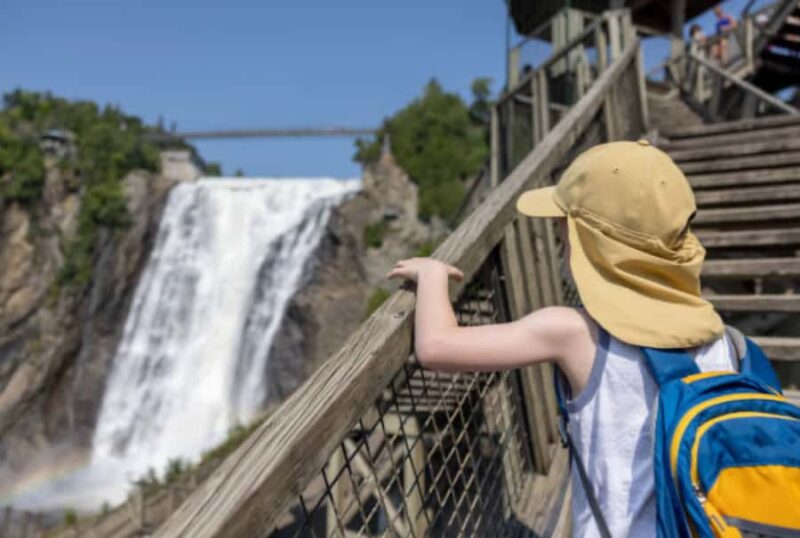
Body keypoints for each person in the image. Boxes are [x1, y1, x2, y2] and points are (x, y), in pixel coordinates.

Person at [387, 140, 737, 537]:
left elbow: (436, 347)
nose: (561, 241)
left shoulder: (573, 332)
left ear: (591, 247)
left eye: (565, 231)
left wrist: (432, 276)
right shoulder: (719, 338)